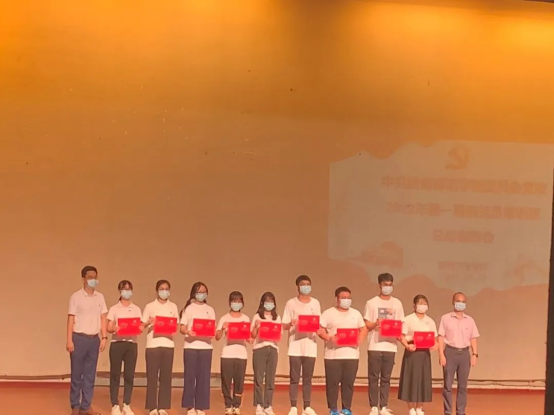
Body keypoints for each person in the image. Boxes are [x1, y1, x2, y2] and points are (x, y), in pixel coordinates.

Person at [318, 287, 367, 416]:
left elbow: (363, 329)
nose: (346, 300)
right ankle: (333, 409)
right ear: (337, 299)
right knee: (332, 384)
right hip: (332, 355)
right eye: (343, 298)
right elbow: (320, 330)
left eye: (348, 298)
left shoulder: (356, 313)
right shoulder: (328, 313)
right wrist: (329, 338)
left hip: (351, 355)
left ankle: (347, 408)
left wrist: (359, 340)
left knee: (348, 383)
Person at [67, 266, 108, 416]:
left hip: (94, 340)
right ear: (83, 279)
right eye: (90, 277)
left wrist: (104, 337)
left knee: (90, 375)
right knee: (77, 374)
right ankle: (75, 405)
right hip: (79, 339)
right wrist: (69, 340)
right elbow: (71, 319)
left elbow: (103, 317)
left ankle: (86, 406)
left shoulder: (100, 297)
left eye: (95, 277)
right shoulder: (76, 297)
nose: (93, 280)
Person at [363, 273, 405, 416]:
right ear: (379, 285)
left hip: (390, 346)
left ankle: (384, 406)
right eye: (385, 285)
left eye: (390, 285)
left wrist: (398, 333)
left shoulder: (397, 303)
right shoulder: (371, 303)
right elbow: (367, 324)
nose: (388, 287)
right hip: (375, 345)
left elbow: (400, 324)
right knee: (373, 377)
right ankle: (373, 406)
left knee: (386, 378)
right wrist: (376, 323)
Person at [282, 275, 321, 416]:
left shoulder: (315, 303)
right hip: (295, 346)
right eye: (303, 284)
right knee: (294, 378)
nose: (306, 286)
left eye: (308, 284)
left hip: (310, 345)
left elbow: (318, 323)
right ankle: (293, 406)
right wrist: (291, 323)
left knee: (307, 379)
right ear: (297, 287)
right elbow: (284, 325)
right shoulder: (290, 303)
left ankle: (307, 406)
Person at [438, 292, 480, 416]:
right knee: (447, 385)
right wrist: (441, 354)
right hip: (450, 352)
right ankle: (447, 412)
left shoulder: (470, 320)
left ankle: (461, 412)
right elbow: (440, 337)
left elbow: (473, 338)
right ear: (453, 302)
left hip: (464, 354)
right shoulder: (445, 318)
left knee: (463, 386)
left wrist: (474, 354)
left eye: (463, 302)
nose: (460, 304)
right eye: (458, 301)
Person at [142, 280, 179, 416]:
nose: (164, 291)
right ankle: (152, 407)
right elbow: (142, 325)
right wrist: (149, 322)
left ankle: (163, 406)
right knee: (152, 377)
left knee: (166, 377)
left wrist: (171, 327)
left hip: (168, 345)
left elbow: (176, 326)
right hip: (153, 345)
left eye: (167, 289)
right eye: (162, 289)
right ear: (157, 291)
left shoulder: (173, 306)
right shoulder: (149, 306)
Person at [180, 282, 217, 416]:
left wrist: (212, 332)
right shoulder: (188, 309)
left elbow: (213, 328)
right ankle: (190, 406)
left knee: (204, 378)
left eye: (204, 292)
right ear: (194, 293)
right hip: (191, 347)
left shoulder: (210, 309)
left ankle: (201, 406)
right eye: (199, 292)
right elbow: (182, 327)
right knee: (189, 377)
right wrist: (188, 331)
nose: (202, 294)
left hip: (206, 347)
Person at [398, 295, 438, 416]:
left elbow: (435, 338)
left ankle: (420, 407)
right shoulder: (408, 319)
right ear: (414, 305)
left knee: (423, 379)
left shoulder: (430, 321)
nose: (422, 306)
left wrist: (435, 345)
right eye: (420, 303)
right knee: (410, 378)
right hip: (412, 351)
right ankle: (411, 408)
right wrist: (407, 346)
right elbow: (401, 336)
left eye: (424, 303)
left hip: (424, 353)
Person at [107, 280, 142, 416]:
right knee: (115, 375)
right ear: (120, 291)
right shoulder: (114, 309)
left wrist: (140, 328)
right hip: (117, 343)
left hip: (131, 344)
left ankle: (127, 404)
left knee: (129, 375)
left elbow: (139, 326)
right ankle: (115, 405)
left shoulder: (136, 309)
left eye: (129, 289)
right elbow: (109, 327)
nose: (127, 291)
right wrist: (114, 328)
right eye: (124, 289)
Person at [216, 291, 252, 416]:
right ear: (230, 302)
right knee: (226, 381)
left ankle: (237, 405)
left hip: (241, 354)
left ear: (242, 303)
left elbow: (249, 338)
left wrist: (252, 335)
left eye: (239, 301)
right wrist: (222, 328)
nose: (236, 303)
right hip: (227, 354)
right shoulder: (224, 318)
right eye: (234, 301)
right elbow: (217, 337)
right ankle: (228, 405)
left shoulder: (245, 319)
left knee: (239, 381)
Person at [251, 292, 282, 416]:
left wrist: (273, 332)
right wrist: (257, 328)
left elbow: (279, 335)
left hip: (273, 348)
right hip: (260, 348)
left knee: (270, 379)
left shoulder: (277, 318)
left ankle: (268, 405)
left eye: (271, 301)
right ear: (262, 303)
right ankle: (259, 405)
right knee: (258, 378)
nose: (269, 304)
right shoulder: (257, 316)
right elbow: (252, 335)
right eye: (267, 301)